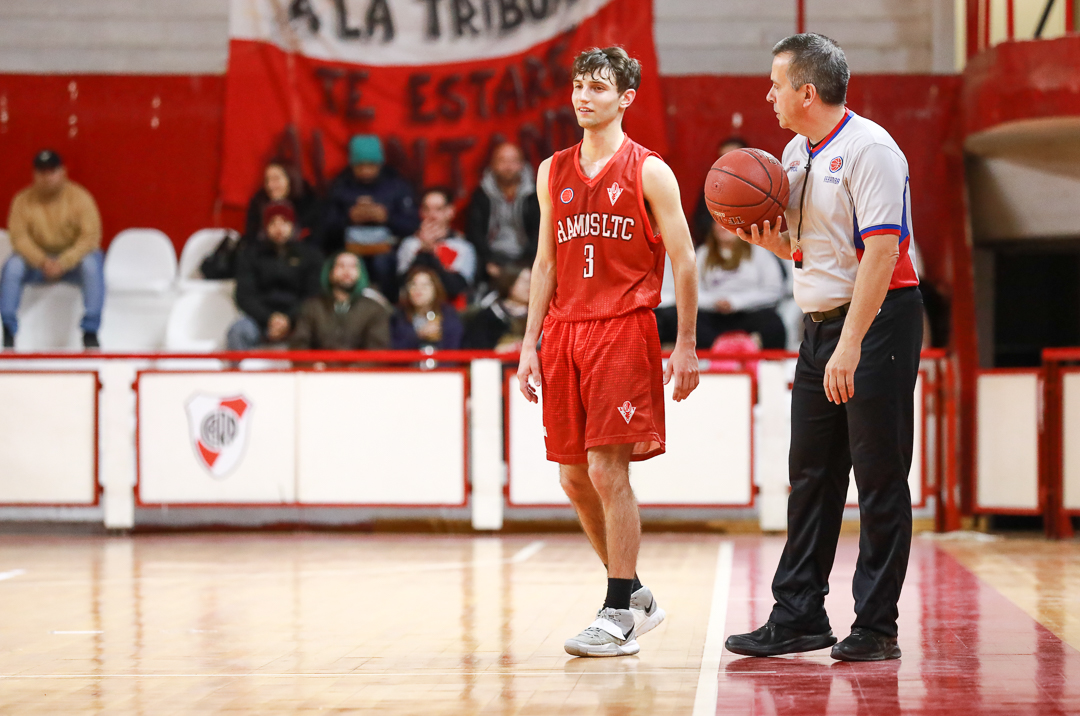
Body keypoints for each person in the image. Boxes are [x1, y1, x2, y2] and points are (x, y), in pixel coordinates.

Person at [724, 33, 923, 662]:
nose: (769, 94)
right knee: (809, 476)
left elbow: (883, 256)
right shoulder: (794, 152)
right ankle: (799, 615)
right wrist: (771, 242)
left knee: (880, 474)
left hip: (878, 321)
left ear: (806, 91)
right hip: (819, 324)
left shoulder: (872, 151)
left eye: (775, 84)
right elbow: (814, 250)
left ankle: (876, 625)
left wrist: (851, 347)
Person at [516, 47, 700, 658]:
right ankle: (638, 596)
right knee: (572, 477)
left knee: (605, 470)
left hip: (624, 326)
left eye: (597, 87)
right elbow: (544, 263)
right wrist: (529, 344)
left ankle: (617, 610)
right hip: (564, 331)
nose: (582, 96)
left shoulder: (650, 171)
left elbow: (685, 260)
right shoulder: (551, 170)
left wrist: (687, 344)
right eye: (577, 85)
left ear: (625, 98)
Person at [1, 150, 104, 349]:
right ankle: (7, 332)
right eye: (42, 172)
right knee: (12, 266)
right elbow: (19, 238)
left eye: (52, 171)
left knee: (92, 263)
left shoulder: (80, 198)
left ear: (63, 172)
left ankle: (90, 333)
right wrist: (43, 261)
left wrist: (64, 262)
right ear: (34, 175)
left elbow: (90, 238)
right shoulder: (22, 200)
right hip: (37, 265)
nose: (47, 177)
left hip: (72, 264)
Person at [323, 135, 419, 301]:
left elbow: (412, 225)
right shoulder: (341, 186)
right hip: (349, 249)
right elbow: (324, 229)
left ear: (380, 163)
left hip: (388, 250)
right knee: (348, 266)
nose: (366, 171)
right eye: (360, 166)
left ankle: (388, 306)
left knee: (383, 264)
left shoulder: (396, 184)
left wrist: (386, 218)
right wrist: (349, 218)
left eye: (371, 165)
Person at [227, 201, 323, 350]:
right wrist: (269, 318)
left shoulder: (310, 256)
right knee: (238, 331)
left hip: (298, 319)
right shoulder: (250, 255)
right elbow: (244, 295)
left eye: (284, 222)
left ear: (293, 225)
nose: (279, 228)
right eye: (273, 223)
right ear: (265, 227)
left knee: (319, 331)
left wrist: (288, 319)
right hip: (260, 319)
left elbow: (312, 295)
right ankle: (236, 373)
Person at [696, 222, 788, 349]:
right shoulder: (703, 254)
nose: (722, 227)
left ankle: (755, 351)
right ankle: (717, 351)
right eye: (717, 223)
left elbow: (773, 290)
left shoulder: (760, 252)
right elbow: (691, 292)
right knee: (686, 322)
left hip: (750, 313)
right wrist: (714, 302)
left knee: (774, 323)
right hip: (713, 315)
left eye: (728, 223)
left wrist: (735, 302)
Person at [464, 142, 540, 283]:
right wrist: (488, 261)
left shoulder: (535, 193)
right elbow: (475, 233)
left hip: (528, 257)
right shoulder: (482, 194)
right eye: (502, 161)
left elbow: (540, 232)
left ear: (522, 164)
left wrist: (525, 264)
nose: (508, 166)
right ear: (492, 165)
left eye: (513, 161)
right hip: (492, 258)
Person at [289, 251, 390, 351]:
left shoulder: (375, 309)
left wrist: (355, 368)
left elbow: (377, 350)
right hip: (319, 366)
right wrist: (314, 365)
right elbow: (299, 344)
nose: (347, 271)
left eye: (353, 266)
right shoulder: (311, 307)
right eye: (341, 266)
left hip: (359, 367)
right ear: (330, 272)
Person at [396, 188, 477, 305]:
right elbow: (403, 285)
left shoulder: (463, 248)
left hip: (450, 312)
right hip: (413, 311)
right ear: (421, 212)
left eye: (438, 209)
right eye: (427, 209)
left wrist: (431, 254)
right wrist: (423, 251)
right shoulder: (409, 245)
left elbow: (456, 288)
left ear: (450, 211)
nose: (432, 215)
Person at [390, 266, 463, 350]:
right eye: (413, 284)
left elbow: (454, 349)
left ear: (435, 289)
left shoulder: (448, 315)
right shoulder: (399, 318)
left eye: (425, 285)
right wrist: (418, 336)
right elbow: (395, 350)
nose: (418, 289)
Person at [693, 136, 749, 245]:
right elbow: (699, 225)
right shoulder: (710, 187)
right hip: (716, 249)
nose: (729, 163)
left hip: (750, 247)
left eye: (734, 157)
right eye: (724, 158)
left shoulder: (761, 186)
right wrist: (718, 225)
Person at [462, 264, 530, 351]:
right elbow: (480, 348)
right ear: (510, 283)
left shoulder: (544, 315)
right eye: (525, 282)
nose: (530, 286)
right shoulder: (488, 316)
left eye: (535, 281)